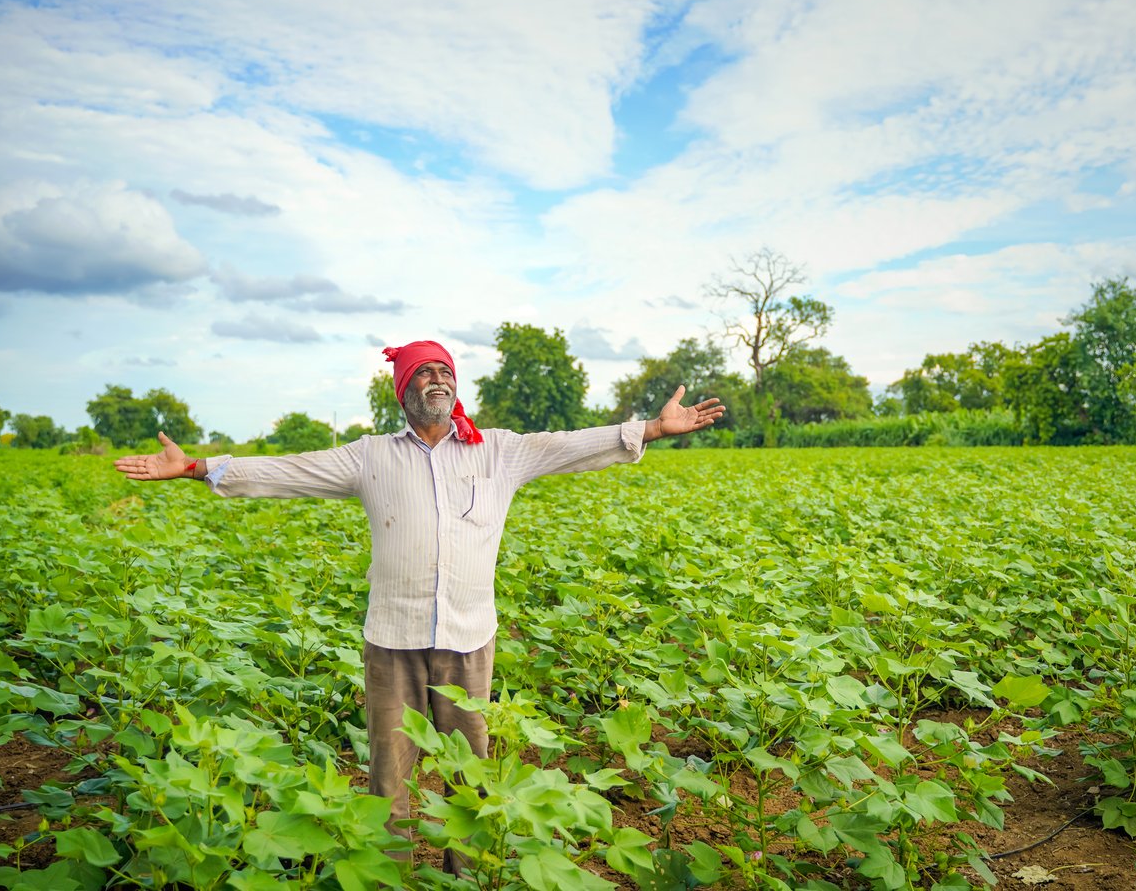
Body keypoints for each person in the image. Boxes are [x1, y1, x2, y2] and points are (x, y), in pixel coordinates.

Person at [114, 339, 725, 868]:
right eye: (423, 372)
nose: (437, 379)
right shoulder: (370, 456)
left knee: (470, 775)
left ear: (455, 384)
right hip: (393, 641)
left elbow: (575, 444)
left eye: (444, 371)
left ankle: (467, 871)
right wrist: (198, 467)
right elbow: (288, 470)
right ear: (404, 389)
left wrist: (651, 428)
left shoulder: (499, 450)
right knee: (390, 779)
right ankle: (388, 873)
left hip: (467, 641)